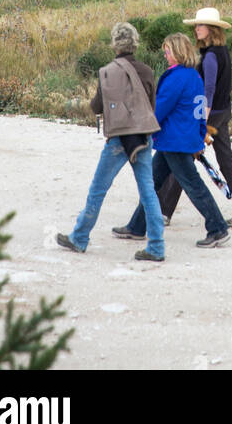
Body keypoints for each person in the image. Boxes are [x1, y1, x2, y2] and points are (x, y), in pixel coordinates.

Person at [57, 21, 165, 262]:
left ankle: (79, 237)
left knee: (98, 190)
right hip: (142, 137)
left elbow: (96, 106)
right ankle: (157, 247)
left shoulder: (107, 71)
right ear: (135, 42)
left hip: (118, 139)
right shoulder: (147, 71)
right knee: (148, 192)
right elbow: (151, 105)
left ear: (115, 43)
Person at [114, 31, 230, 248]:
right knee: (152, 183)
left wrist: (139, 128)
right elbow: (198, 109)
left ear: (176, 52)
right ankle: (137, 227)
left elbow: (159, 110)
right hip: (179, 141)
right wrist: (199, 136)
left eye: (167, 51)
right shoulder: (194, 76)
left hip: (174, 142)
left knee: (192, 186)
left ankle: (218, 228)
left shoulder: (175, 77)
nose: (165, 55)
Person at [160, 5, 232, 228]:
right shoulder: (222, 52)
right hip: (223, 113)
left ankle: (164, 211)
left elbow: (208, 91)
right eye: (196, 25)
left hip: (211, 116)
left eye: (201, 25)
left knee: (183, 159)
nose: (197, 29)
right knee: (226, 160)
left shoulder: (211, 55)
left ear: (212, 29)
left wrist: (201, 120)